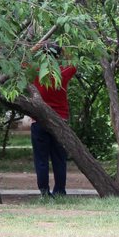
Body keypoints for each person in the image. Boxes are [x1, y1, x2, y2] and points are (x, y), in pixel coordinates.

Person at [30, 42, 77, 197]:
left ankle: (44, 192)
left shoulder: (36, 72)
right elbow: (74, 64)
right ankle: (60, 191)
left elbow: (21, 63)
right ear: (57, 57)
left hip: (39, 120)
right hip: (60, 120)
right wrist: (63, 49)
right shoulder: (62, 72)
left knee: (41, 160)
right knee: (59, 159)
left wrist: (36, 47)